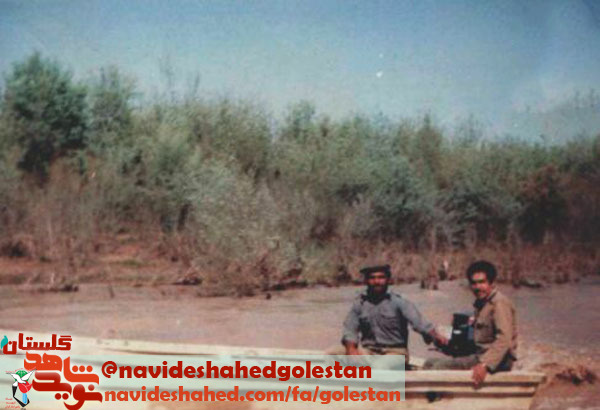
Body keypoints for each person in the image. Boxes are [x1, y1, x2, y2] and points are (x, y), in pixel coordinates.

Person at [424, 260, 517, 387]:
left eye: (482, 282)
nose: (477, 287)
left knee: (437, 368)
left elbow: (504, 339)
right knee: (429, 363)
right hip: (480, 355)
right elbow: (479, 340)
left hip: (498, 361)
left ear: (492, 283)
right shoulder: (482, 304)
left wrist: (485, 365)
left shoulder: (499, 303)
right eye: (474, 283)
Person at [334, 264, 447, 363]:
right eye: (372, 278)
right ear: (366, 281)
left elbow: (420, 324)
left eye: (381, 277)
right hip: (369, 351)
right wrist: (351, 350)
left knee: (379, 367)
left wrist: (436, 337)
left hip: (396, 353)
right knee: (331, 354)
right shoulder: (360, 304)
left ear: (388, 280)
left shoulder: (399, 302)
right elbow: (350, 330)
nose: (377, 281)